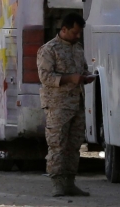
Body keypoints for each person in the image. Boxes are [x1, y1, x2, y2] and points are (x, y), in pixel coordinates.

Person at [37, 13, 95, 197]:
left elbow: (83, 68)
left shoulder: (77, 49)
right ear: (64, 29)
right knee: (57, 145)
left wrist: (86, 77)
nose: (77, 36)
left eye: (79, 33)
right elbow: (45, 77)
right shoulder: (49, 50)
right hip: (58, 105)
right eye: (74, 32)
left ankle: (70, 182)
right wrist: (70, 78)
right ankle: (57, 183)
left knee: (74, 145)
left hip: (76, 103)